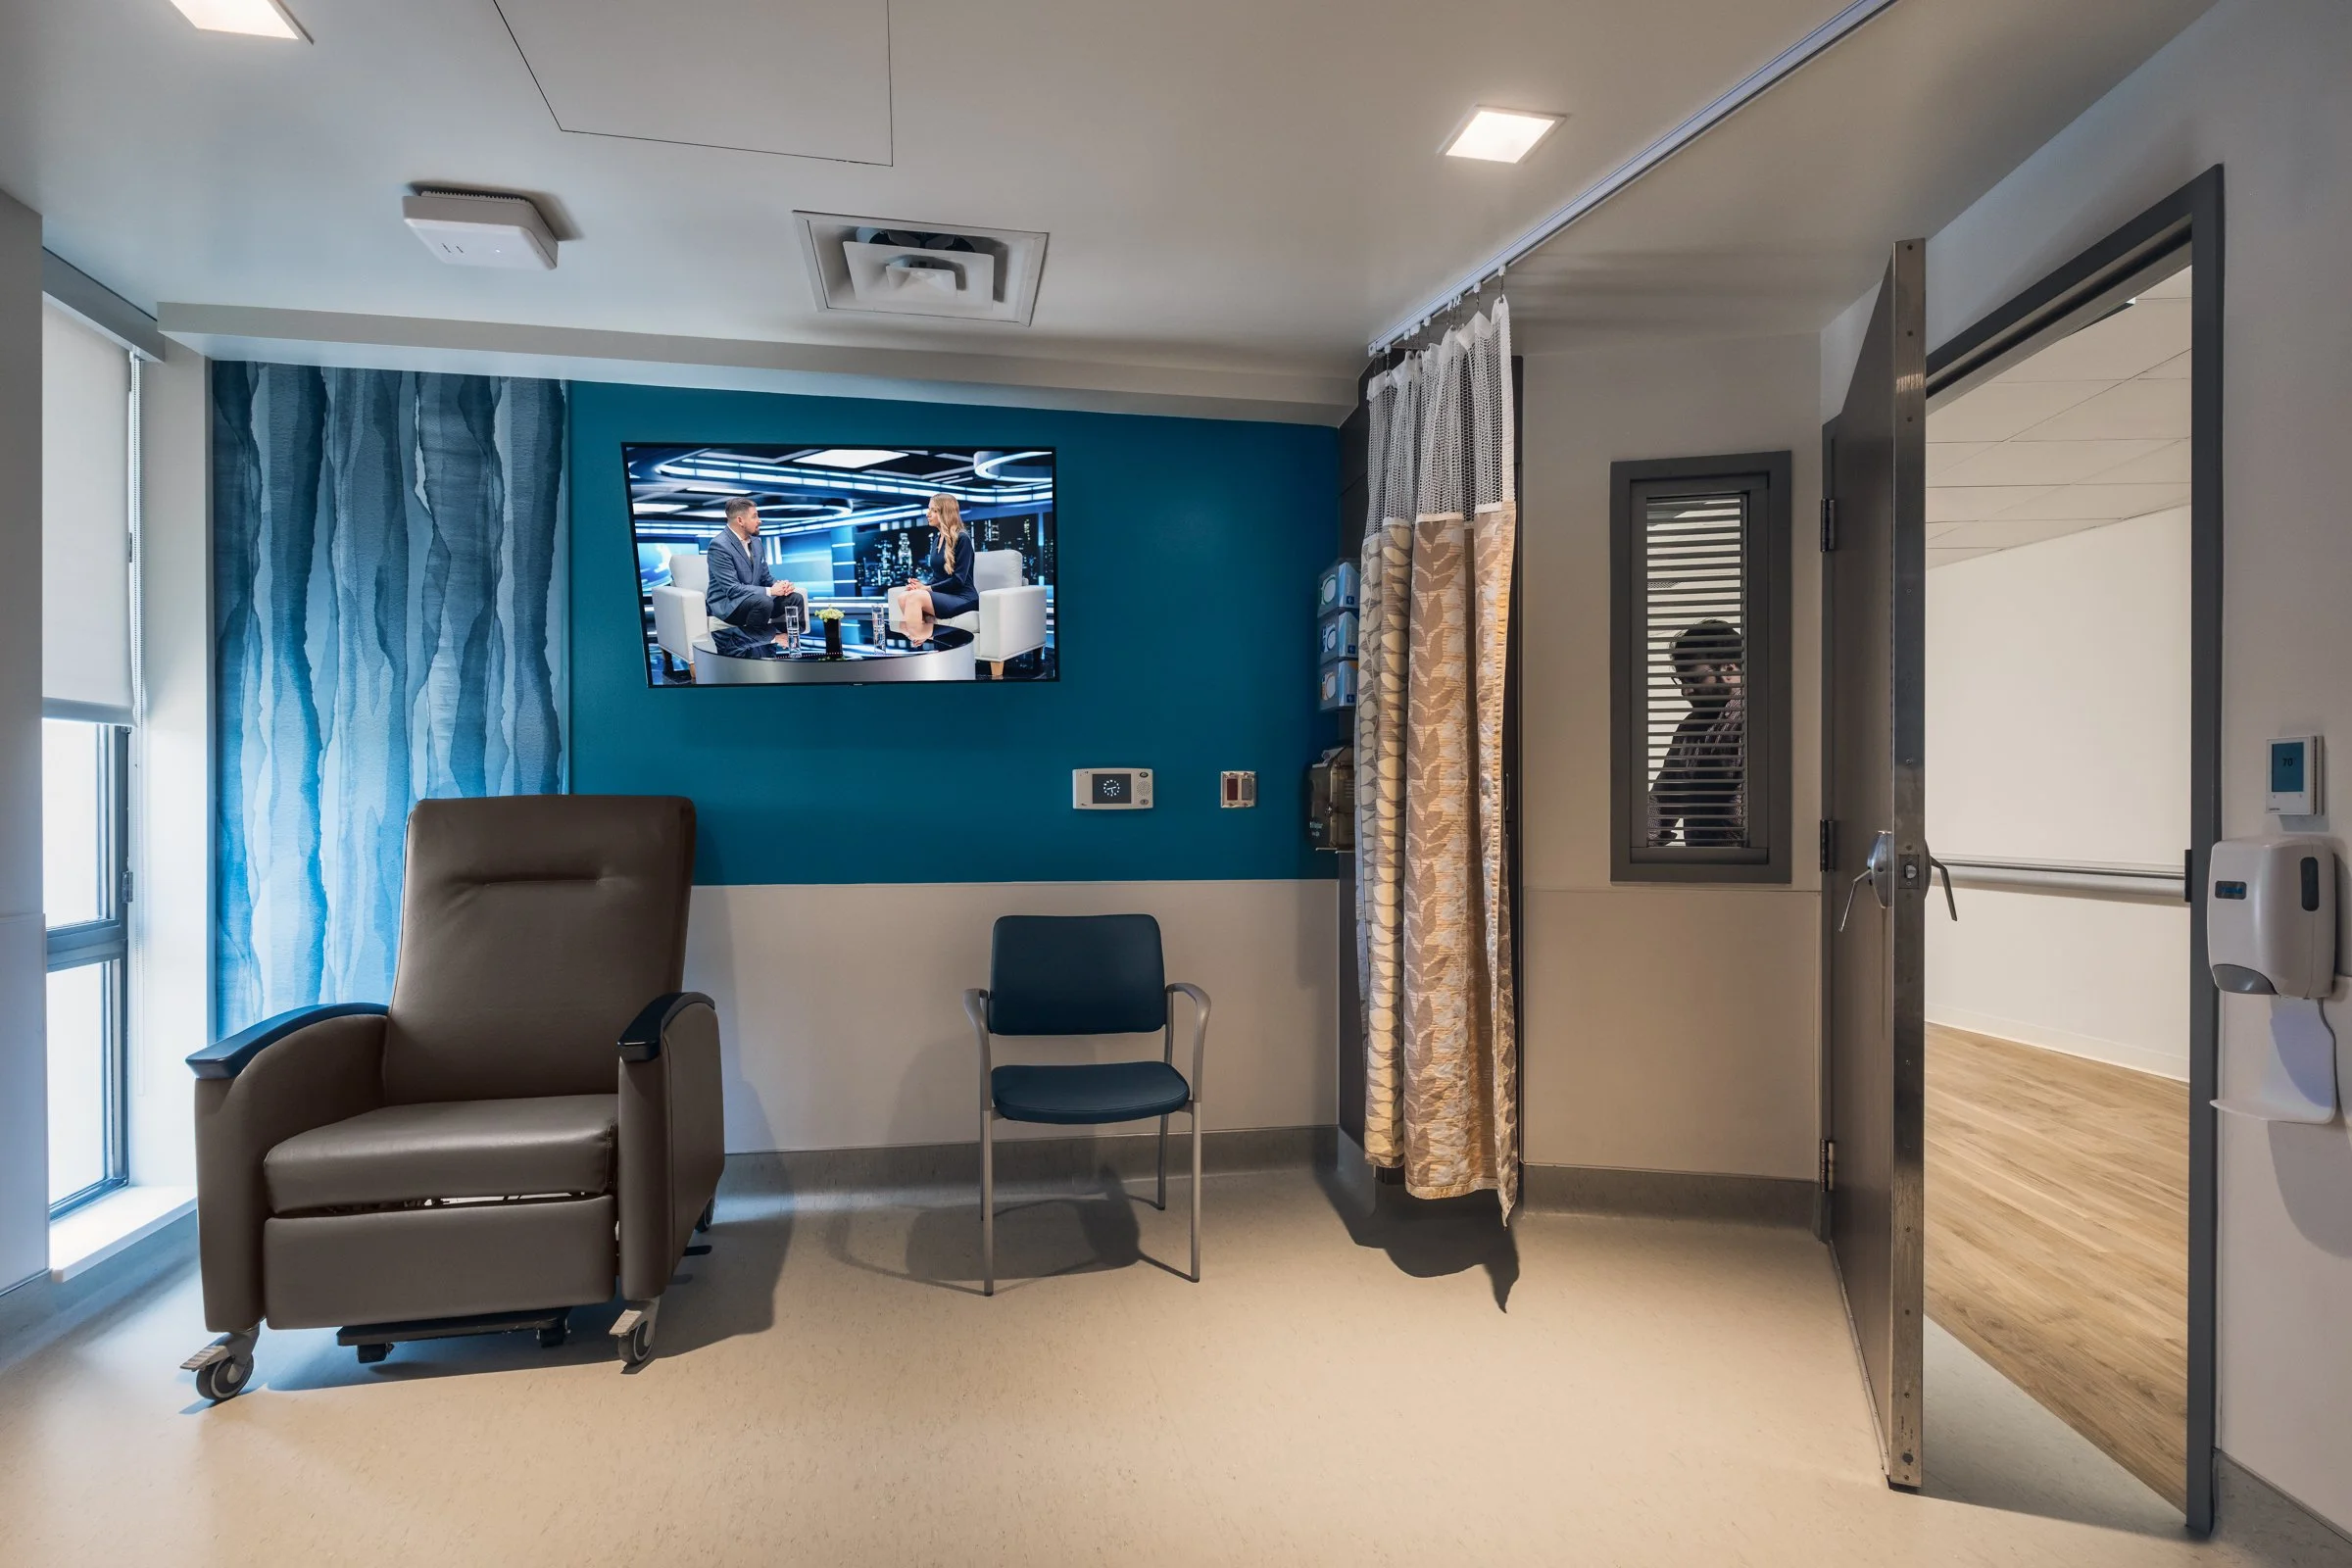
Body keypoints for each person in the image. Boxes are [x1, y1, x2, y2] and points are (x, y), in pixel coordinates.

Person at [1648, 618, 1746, 848]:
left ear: (1730, 668)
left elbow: (1742, 813)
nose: (1685, 690)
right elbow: (1662, 799)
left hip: (1744, 874)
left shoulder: (1755, 724)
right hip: (1702, 869)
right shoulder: (1689, 729)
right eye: (1681, 681)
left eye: (1694, 679)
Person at [704, 497, 808, 637]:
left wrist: (781, 586)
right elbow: (732, 589)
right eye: (755, 516)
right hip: (730, 605)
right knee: (764, 601)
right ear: (740, 520)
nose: (759, 521)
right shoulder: (719, 545)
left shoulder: (756, 542)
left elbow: (765, 577)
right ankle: (759, 648)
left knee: (794, 598)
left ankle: (790, 642)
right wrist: (771, 591)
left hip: (755, 601)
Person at [893, 494, 978, 623]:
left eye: (934, 510)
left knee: (915, 597)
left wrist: (926, 589)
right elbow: (938, 577)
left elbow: (958, 580)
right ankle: (924, 637)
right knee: (903, 597)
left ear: (946, 513)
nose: (928, 514)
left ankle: (914, 637)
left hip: (964, 597)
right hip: (946, 595)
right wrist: (922, 585)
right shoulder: (937, 540)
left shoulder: (962, 538)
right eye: (929, 509)